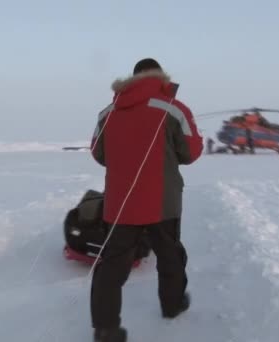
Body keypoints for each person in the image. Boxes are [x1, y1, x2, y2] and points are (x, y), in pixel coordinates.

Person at [89, 58, 203, 342]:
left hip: (119, 203)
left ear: (132, 78)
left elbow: (97, 153)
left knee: (112, 265)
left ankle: (106, 330)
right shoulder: (174, 109)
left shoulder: (108, 112)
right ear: (160, 76)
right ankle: (172, 306)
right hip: (163, 202)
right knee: (170, 256)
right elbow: (191, 153)